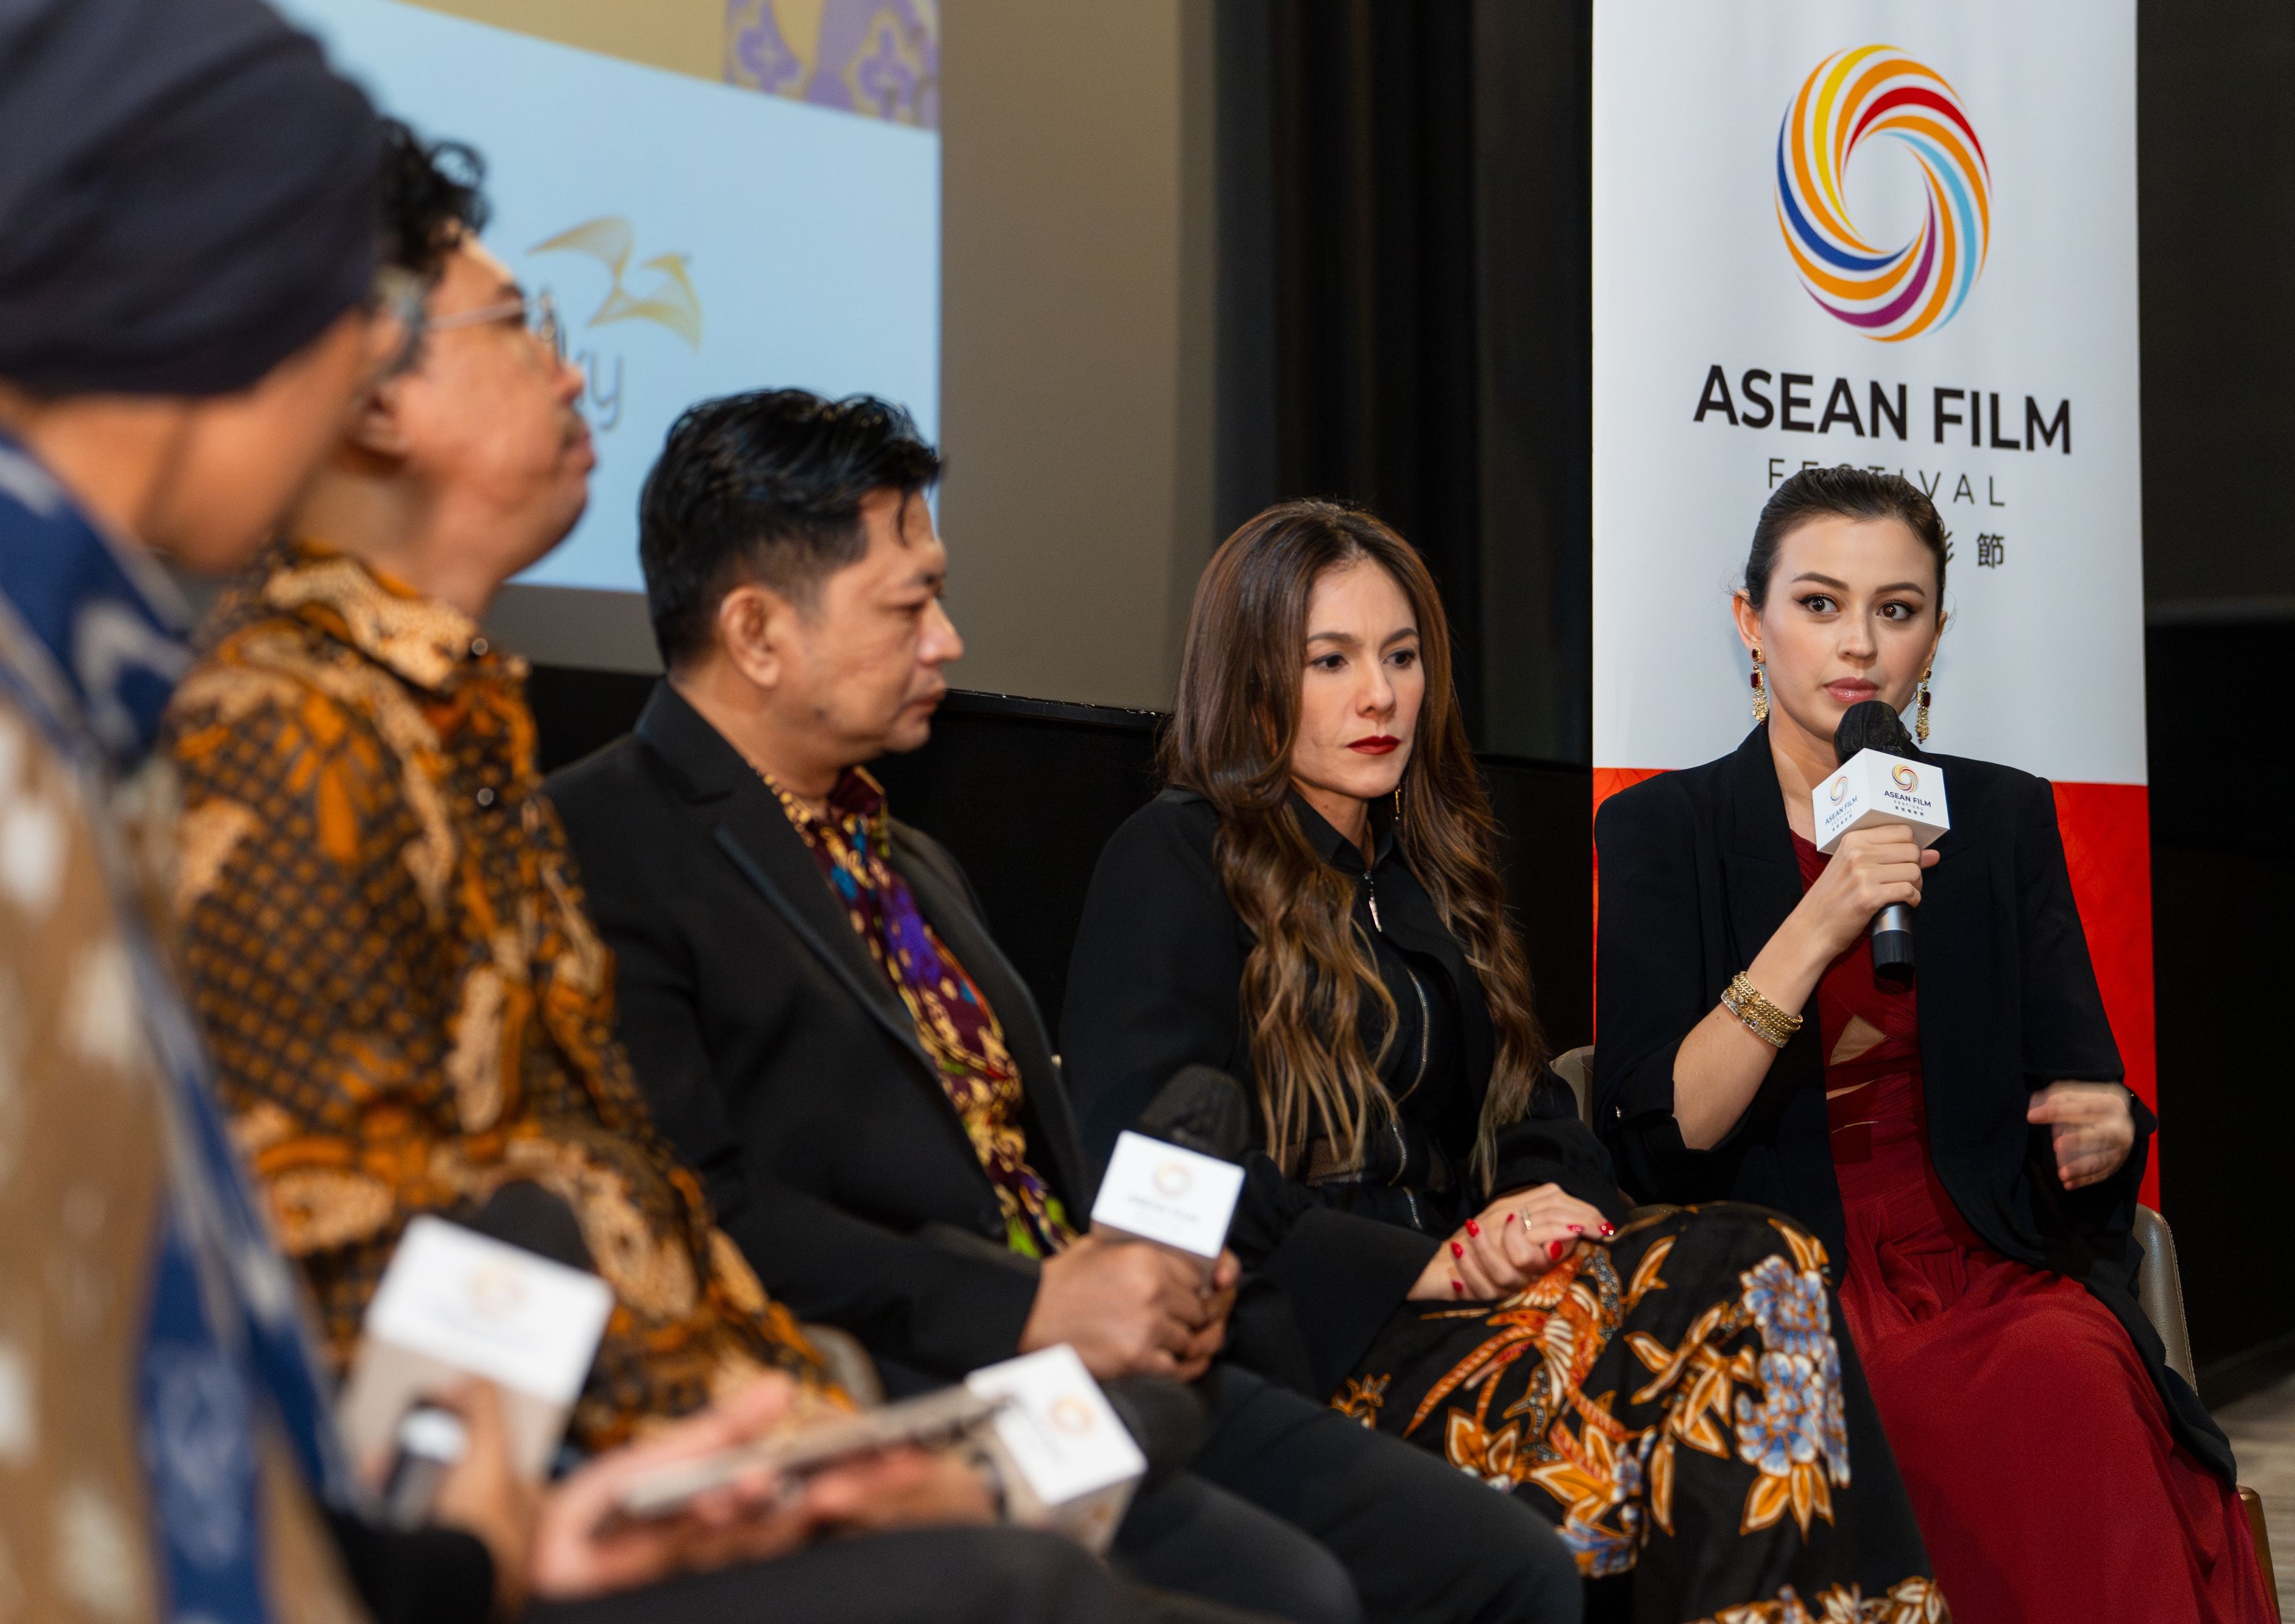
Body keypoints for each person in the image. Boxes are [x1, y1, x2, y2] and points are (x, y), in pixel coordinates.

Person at [161, 123, 1229, 1624]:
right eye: (515, 324)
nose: (568, 368)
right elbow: (365, 1261)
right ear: (376, 394)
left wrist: (821, 1429)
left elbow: (618, 1198)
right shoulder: (289, 733)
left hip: (713, 1419)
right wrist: (750, 1468)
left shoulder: (455, 721)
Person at [549, 389, 1585, 1624]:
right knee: (1298, 1594)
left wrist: (1136, 1276)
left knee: (1509, 1565)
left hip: (1078, 1366)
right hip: (887, 1381)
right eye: (908, 606)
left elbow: (1067, 1159)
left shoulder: (911, 864)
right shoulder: (602, 842)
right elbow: (691, 1212)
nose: (947, 641)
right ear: (757, 631)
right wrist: (1036, 1301)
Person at [1060, 499, 1942, 1623]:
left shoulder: (1424, 879)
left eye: (1401, 657)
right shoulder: (1177, 858)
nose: (1380, 696)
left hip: (1485, 1312)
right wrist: (1417, 1266)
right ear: (1252, 679)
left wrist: (1548, 1212)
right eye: (1331, 661)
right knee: (1728, 1326)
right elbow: (1148, 1162)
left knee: (1762, 1259)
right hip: (1310, 1341)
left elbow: (1538, 1121)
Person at [1592, 466, 2271, 1622]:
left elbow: (2081, 1086)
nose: (1859, 643)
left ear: (1937, 636)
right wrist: (1823, 918)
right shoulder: (1662, 829)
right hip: (1785, 1266)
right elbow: (1664, 1133)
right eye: (1819, 603)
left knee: (2073, 1383)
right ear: (1751, 622)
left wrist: (2105, 1128)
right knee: (1884, 1408)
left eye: (1897, 610)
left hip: (1984, 1253)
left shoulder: (2001, 817)